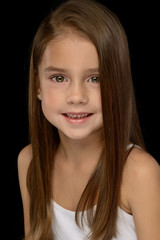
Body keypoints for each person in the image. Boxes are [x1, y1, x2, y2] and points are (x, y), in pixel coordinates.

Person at [18, 0, 160, 239]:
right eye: (59, 78)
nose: (76, 97)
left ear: (119, 84)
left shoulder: (138, 173)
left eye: (95, 79)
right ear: (37, 85)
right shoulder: (30, 161)